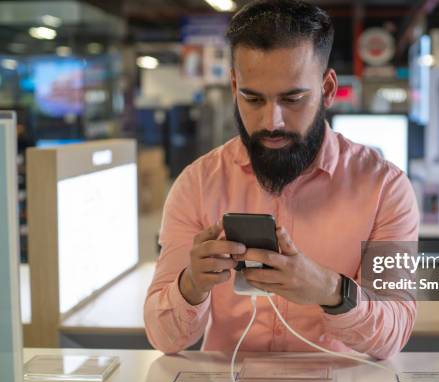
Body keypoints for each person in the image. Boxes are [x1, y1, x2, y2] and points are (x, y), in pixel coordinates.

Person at [144, 0, 419, 360]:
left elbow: (394, 334)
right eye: (253, 98)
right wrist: (191, 286)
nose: (272, 121)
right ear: (233, 87)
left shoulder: (385, 189)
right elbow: (164, 339)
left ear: (329, 89)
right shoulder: (197, 183)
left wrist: (330, 291)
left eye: (292, 99)